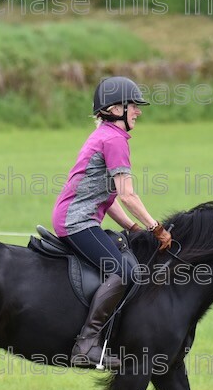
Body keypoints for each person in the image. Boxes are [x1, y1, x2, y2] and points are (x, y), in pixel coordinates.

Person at [52, 76, 172, 370]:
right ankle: (86, 346)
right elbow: (127, 194)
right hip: (77, 221)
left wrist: (133, 228)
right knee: (124, 270)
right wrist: (155, 227)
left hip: (80, 216)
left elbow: (109, 198)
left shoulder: (105, 135)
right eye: (133, 105)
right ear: (116, 109)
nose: (138, 111)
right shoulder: (114, 140)